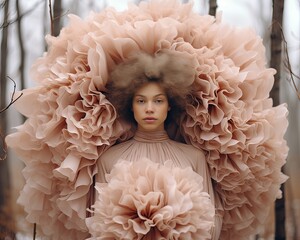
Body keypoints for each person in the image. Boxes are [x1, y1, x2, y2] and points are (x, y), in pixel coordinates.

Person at [95, 50, 223, 239]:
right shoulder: (108, 160)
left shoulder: (194, 157)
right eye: (141, 101)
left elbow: (211, 224)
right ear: (130, 105)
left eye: (158, 100)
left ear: (170, 104)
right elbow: (99, 226)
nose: (149, 108)